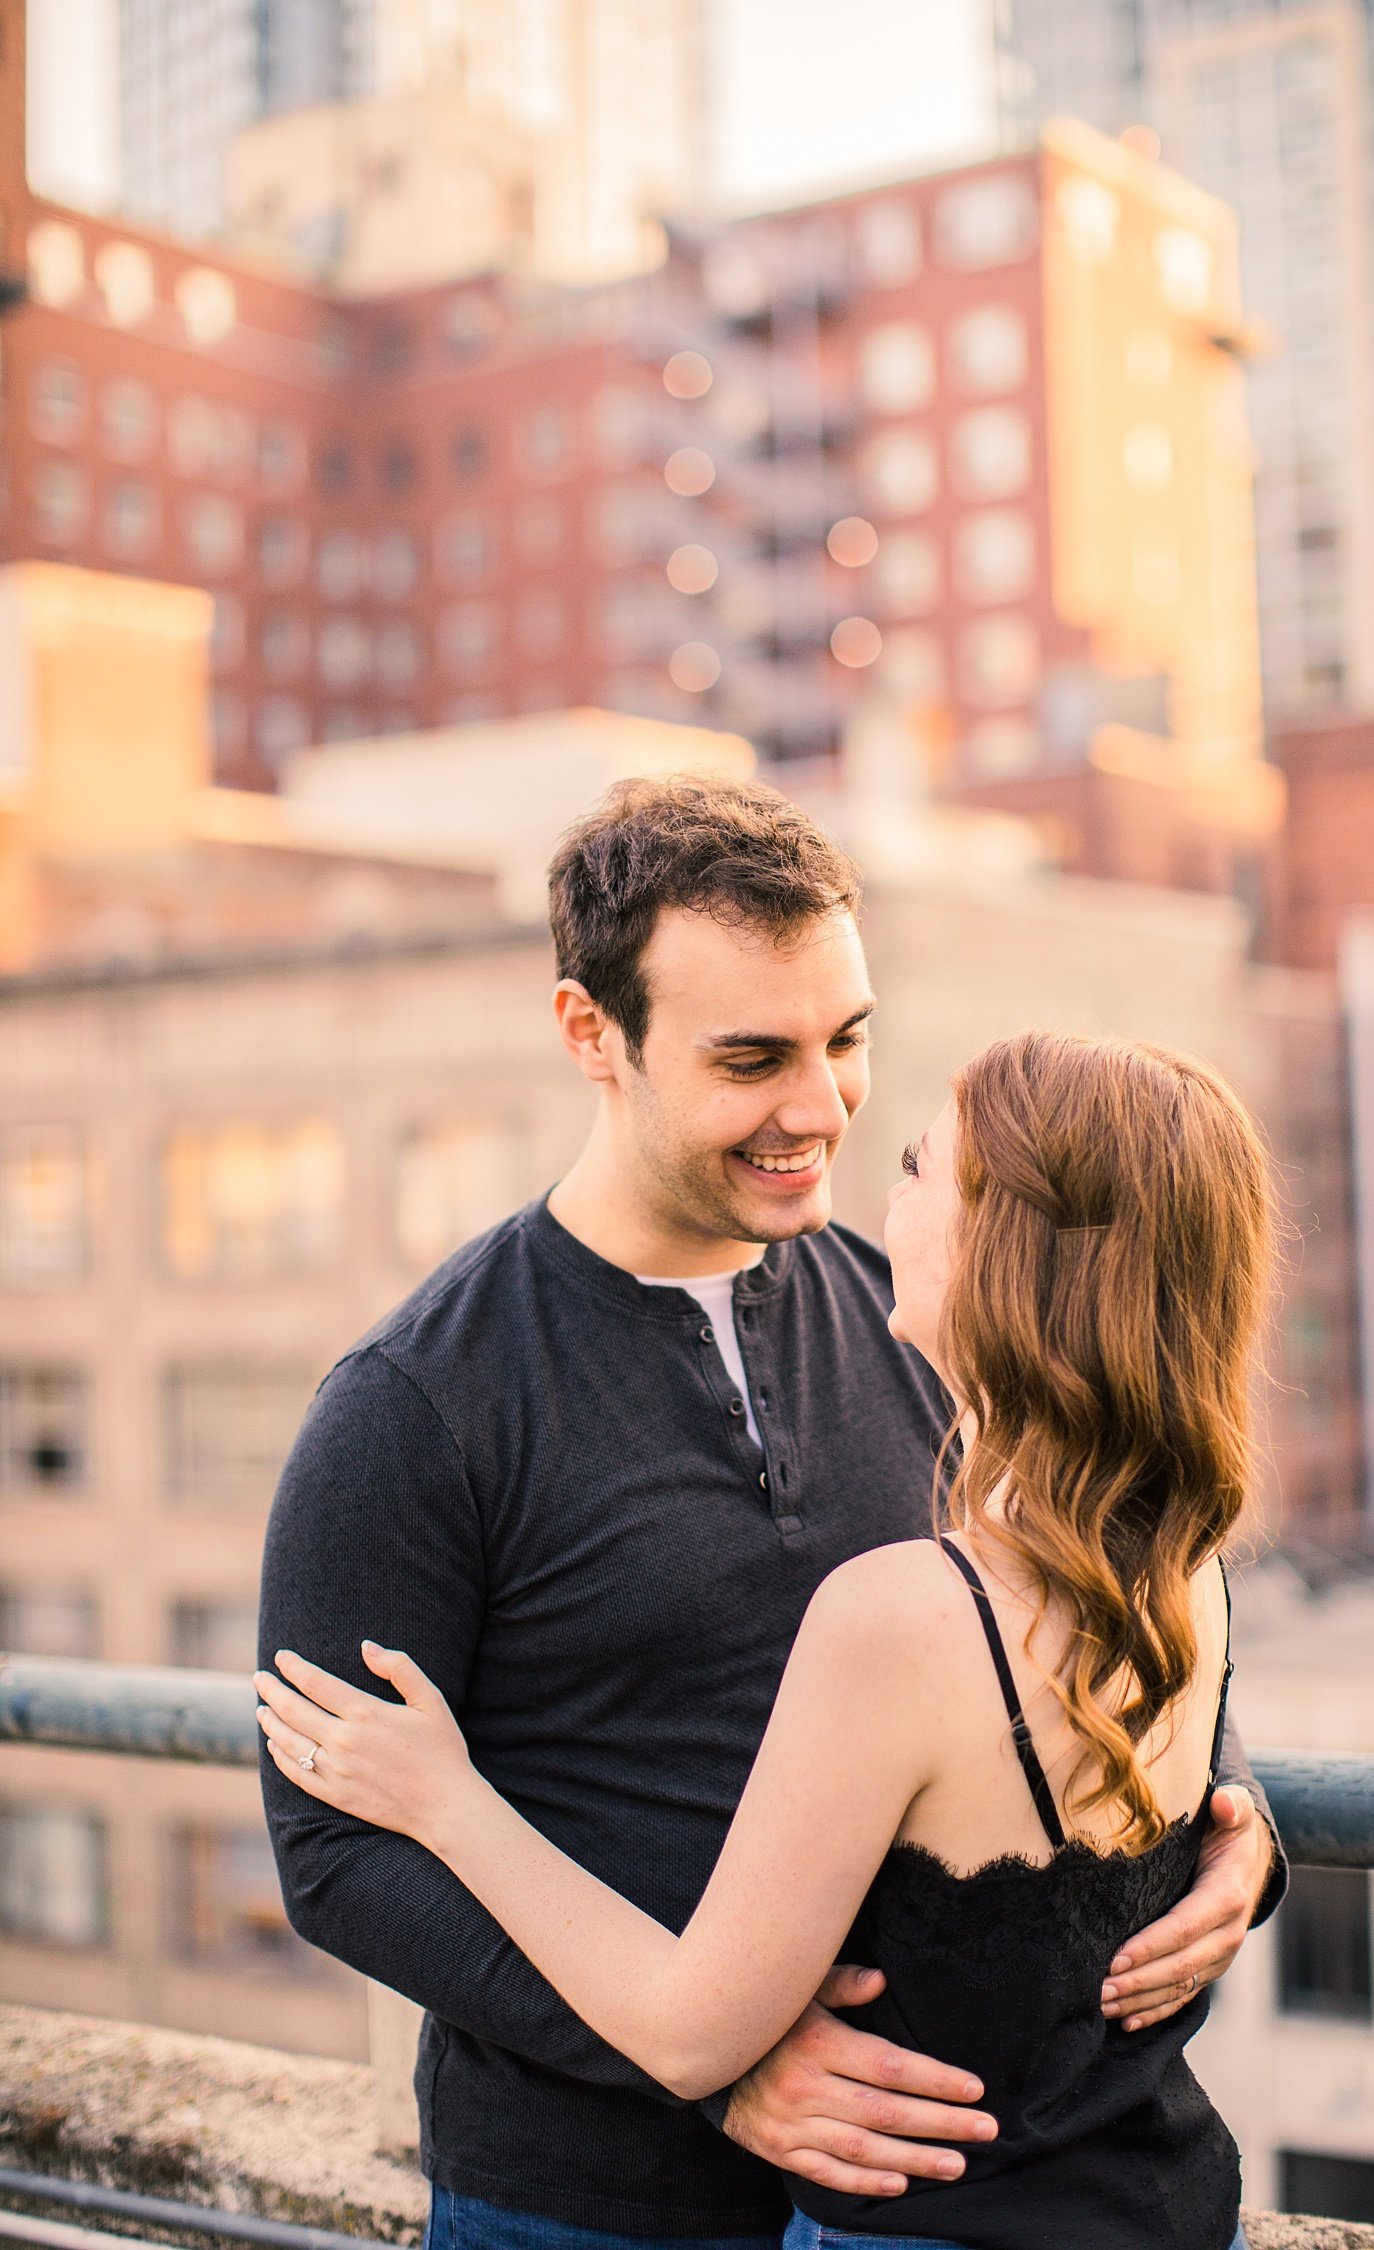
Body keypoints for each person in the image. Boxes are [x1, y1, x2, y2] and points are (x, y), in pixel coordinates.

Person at [258, 777, 1282, 2250]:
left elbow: (1087, 1588)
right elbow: (335, 1852)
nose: (820, 1108)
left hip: (916, 2193)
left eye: (846, 1040)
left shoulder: (928, 1317)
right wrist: (714, 2069)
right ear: (589, 1034)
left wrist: (1234, 1832)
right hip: (585, 2204)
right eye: (752, 1057)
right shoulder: (412, 1406)